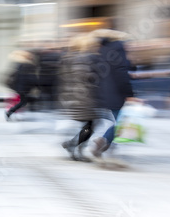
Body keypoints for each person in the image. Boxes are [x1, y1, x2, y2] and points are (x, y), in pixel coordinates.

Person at [58, 34, 115, 162]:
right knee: (93, 122)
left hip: (76, 97)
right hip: (86, 98)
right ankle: (73, 145)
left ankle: (72, 145)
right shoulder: (84, 58)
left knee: (91, 123)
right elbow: (87, 78)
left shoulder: (69, 57)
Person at [89, 29, 136, 159]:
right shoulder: (118, 49)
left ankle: (106, 144)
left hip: (106, 92)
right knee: (122, 122)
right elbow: (121, 73)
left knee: (120, 121)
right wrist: (130, 94)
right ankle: (103, 141)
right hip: (117, 92)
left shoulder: (103, 50)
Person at [4, 50, 39, 120]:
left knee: (24, 101)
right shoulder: (29, 65)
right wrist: (37, 85)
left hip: (20, 87)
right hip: (25, 87)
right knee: (23, 102)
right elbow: (32, 77)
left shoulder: (20, 65)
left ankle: (11, 112)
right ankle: (10, 112)